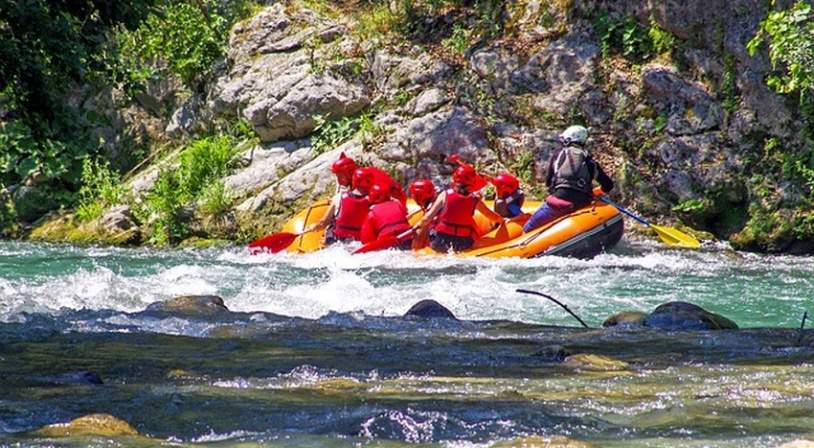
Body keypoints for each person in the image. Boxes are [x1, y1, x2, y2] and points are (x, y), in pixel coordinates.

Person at [523, 125, 614, 232]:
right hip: (581, 204)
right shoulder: (589, 161)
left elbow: (548, 182)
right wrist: (596, 192)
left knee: (527, 228)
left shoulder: (558, 154)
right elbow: (608, 185)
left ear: (568, 140)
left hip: (558, 202)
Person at [414, 164, 504, 253]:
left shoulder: (445, 195)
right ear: (473, 181)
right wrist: (502, 221)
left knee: (432, 225)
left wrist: (417, 226)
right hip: (463, 242)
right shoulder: (475, 199)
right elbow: (492, 216)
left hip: (441, 241)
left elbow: (426, 218)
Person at [308, 167, 374, 244]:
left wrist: (312, 227)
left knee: (324, 239)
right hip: (357, 243)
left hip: (336, 242)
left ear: (354, 181)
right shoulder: (373, 202)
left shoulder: (338, 198)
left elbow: (323, 223)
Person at [360, 183, 413, 249]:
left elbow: (366, 241)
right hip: (407, 237)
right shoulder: (398, 204)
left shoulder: (371, 213)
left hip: (387, 243)